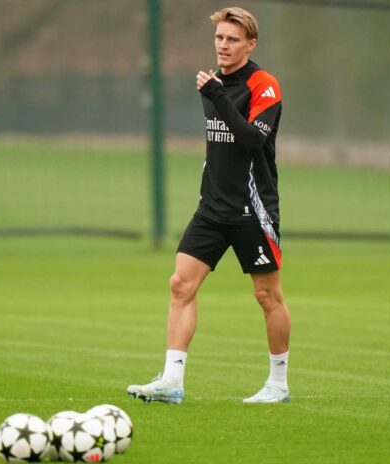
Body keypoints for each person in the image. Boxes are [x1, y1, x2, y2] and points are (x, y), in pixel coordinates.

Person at [127, 6, 291, 404]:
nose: (223, 45)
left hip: (253, 209)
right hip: (212, 207)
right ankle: (171, 381)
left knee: (267, 296)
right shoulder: (214, 83)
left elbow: (252, 140)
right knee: (180, 284)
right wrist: (216, 93)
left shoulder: (263, 85)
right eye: (219, 38)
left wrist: (217, 96)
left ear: (250, 44)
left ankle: (278, 383)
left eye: (233, 39)